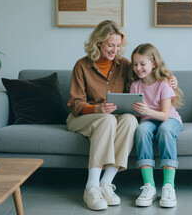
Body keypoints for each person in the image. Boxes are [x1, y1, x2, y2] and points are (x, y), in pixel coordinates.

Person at [66, 21, 177, 211]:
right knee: (107, 119)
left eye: (118, 46)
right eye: (111, 45)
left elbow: (147, 77)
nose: (115, 50)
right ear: (98, 42)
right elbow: (75, 103)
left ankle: (106, 184)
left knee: (129, 120)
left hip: (114, 117)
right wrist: (96, 108)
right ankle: (91, 186)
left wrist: (170, 79)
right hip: (84, 117)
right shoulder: (82, 65)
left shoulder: (125, 65)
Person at [128, 43, 183, 208]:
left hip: (168, 119)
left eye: (142, 64)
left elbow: (165, 115)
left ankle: (168, 186)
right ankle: (149, 186)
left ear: (153, 63)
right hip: (148, 119)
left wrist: (146, 110)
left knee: (165, 130)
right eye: (135, 64)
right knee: (142, 130)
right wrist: (134, 111)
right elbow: (138, 115)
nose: (138, 68)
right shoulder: (135, 86)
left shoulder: (164, 84)